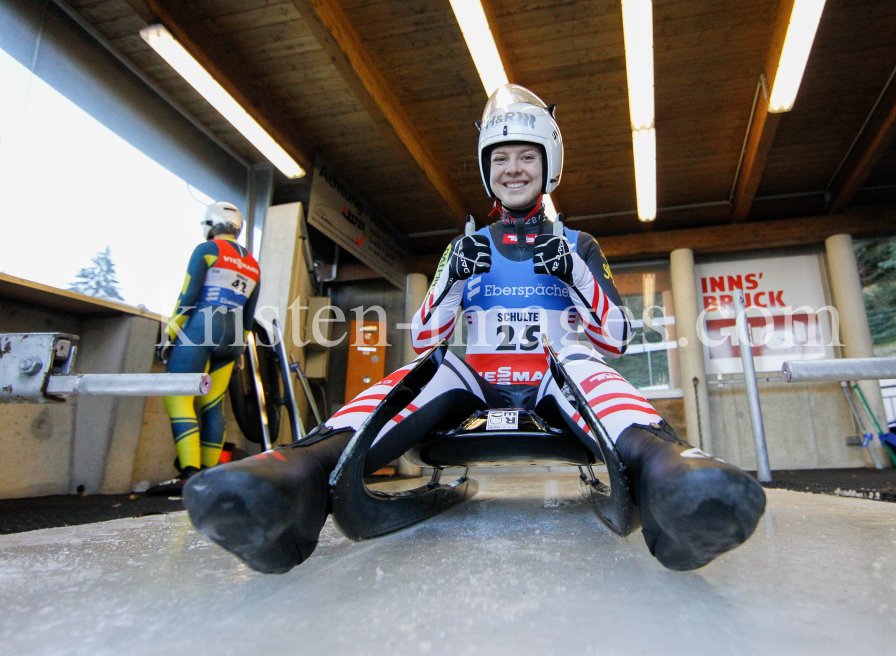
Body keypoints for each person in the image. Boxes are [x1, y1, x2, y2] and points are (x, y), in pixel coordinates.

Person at [183, 85, 766, 573]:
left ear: (549, 165)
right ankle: (300, 472)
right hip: (476, 379)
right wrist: (449, 280)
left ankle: (669, 471)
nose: (514, 169)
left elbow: (616, 339)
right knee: (424, 370)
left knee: (587, 365)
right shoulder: (465, 246)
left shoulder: (579, 244)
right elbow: (426, 337)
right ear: (489, 170)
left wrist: (575, 275)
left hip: (553, 380)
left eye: (527, 157)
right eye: (501, 159)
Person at [148, 202, 261, 496]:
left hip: (202, 327)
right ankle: (210, 478)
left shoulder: (207, 250)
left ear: (212, 224)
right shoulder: (253, 263)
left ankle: (189, 474)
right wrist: (237, 352)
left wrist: (169, 335)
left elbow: (188, 295)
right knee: (212, 405)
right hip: (235, 337)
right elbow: (249, 315)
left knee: (179, 398)